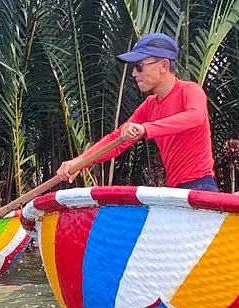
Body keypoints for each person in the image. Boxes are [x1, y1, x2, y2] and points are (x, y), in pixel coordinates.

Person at [56, 33, 218, 191]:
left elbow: (195, 116)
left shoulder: (190, 90)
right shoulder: (149, 106)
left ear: (163, 66)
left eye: (139, 66)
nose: (134, 74)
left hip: (201, 186)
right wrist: (80, 161)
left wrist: (146, 129)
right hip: (176, 189)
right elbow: (118, 139)